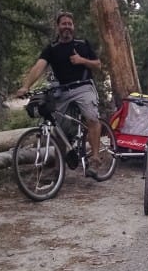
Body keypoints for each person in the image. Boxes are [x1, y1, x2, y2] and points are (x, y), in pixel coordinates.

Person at [15, 11, 104, 178]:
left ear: (73, 27)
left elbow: (98, 64)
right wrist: (25, 86)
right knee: (58, 129)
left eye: (70, 24)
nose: (67, 27)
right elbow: (39, 66)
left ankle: (95, 159)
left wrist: (82, 60)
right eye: (64, 24)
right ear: (58, 27)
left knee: (91, 118)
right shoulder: (52, 49)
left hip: (83, 87)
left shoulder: (82, 44)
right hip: (62, 90)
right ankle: (59, 168)